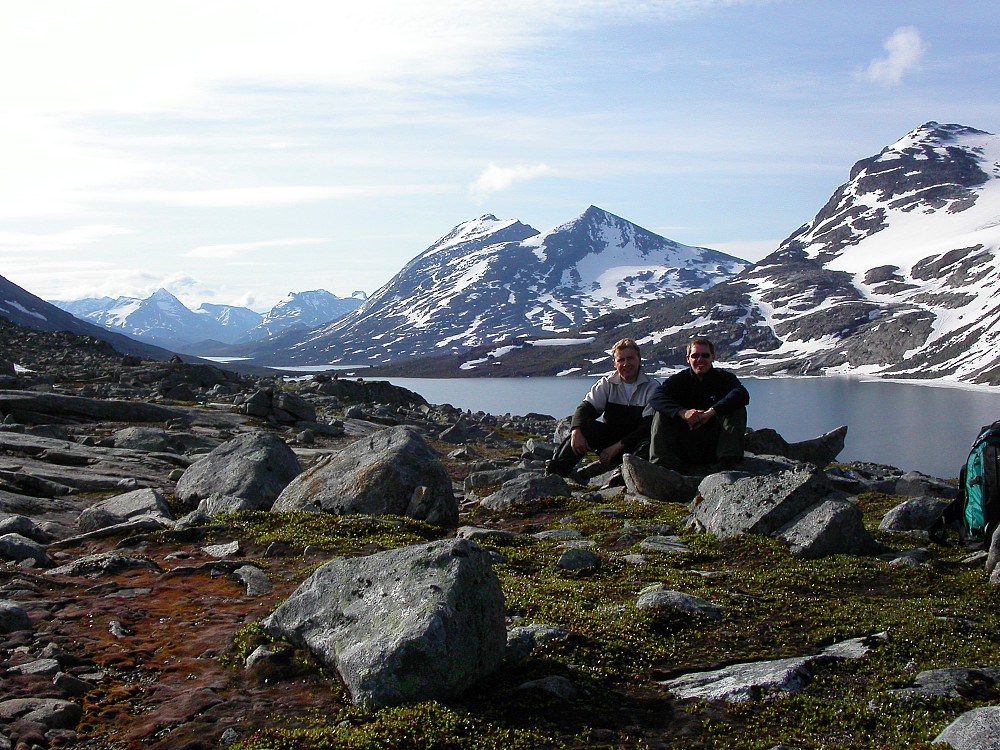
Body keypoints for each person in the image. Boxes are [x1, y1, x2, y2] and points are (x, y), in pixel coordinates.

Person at [546, 338, 660, 478]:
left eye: (630, 358)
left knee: (649, 443)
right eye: (621, 360)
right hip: (609, 440)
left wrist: (617, 446)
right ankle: (557, 472)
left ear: (639, 360)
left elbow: (647, 426)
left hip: (635, 443)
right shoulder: (607, 383)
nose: (626, 364)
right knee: (584, 427)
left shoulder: (652, 387)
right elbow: (585, 409)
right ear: (614, 363)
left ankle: (626, 476)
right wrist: (576, 431)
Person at [649, 337, 749, 471]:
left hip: (714, 444)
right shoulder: (679, 380)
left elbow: (742, 394)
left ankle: (728, 463)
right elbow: (655, 397)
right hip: (685, 442)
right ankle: (660, 465)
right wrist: (684, 413)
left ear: (713, 357)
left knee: (737, 408)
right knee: (661, 412)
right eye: (695, 356)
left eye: (705, 355)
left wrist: (711, 412)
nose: (700, 359)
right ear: (688, 358)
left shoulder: (724, 378)